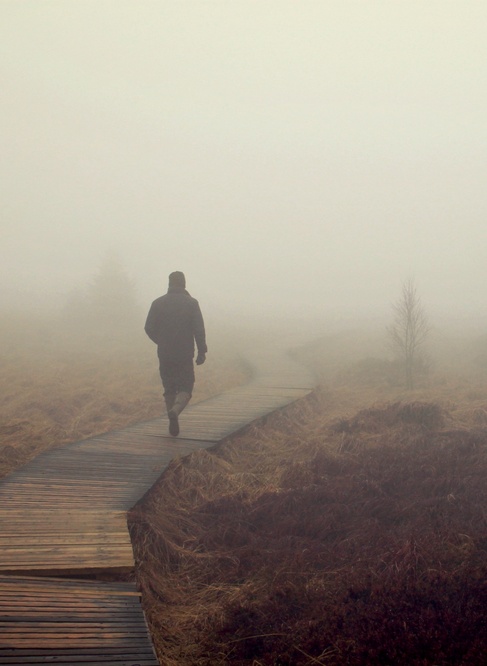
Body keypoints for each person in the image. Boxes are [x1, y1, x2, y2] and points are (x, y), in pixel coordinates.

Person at [144, 271, 207, 436]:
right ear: (184, 284)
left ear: (169, 284)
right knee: (186, 385)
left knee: (169, 386)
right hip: (185, 353)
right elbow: (199, 330)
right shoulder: (192, 303)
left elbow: (148, 328)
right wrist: (202, 351)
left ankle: (171, 411)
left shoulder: (157, 303)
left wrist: (161, 341)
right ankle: (176, 410)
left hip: (164, 353)